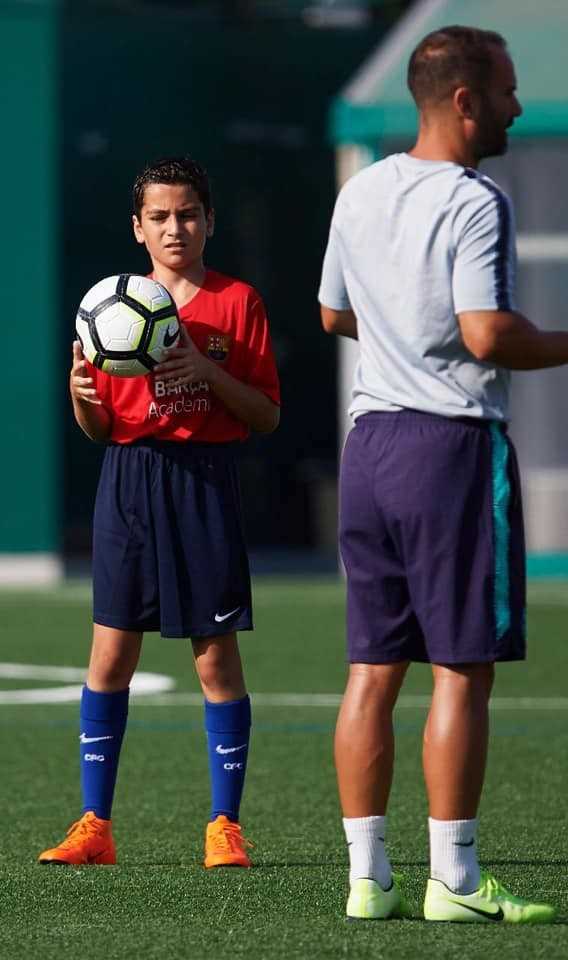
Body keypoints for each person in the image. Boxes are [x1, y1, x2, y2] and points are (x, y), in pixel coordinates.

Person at [318, 26, 568, 923]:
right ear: (464, 100)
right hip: (448, 449)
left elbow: (334, 312)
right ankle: (454, 879)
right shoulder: (476, 199)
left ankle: (367, 881)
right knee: (461, 669)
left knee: (371, 671)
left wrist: (403, 346)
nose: (516, 106)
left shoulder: (361, 189)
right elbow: (485, 332)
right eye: (507, 90)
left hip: (368, 449)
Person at [39, 157, 280, 869]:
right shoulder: (109, 304)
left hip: (204, 481)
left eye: (188, 214)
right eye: (161, 217)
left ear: (210, 220)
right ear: (138, 228)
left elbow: (266, 416)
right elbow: (100, 430)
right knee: (110, 656)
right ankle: (94, 826)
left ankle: (224, 826)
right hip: (130, 480)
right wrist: (81, 392)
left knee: (216, 663)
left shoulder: (238, 302)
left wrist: (209, 373)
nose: (175, 227)